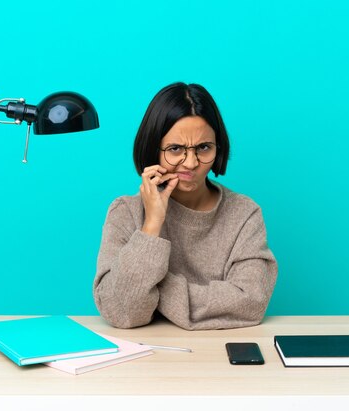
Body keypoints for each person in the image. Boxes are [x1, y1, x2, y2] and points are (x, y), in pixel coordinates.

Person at [93, 82, 277, 330]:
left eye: (203, 147)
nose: (191, 163)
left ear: (218, 148)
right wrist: (152, 225)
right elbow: (121, 311)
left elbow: (251, 302)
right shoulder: (125, 212)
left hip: (221, 353)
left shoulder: (244, 214)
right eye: (175, 149)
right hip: (147, 359)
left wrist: (155, 288)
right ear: (153, 149)